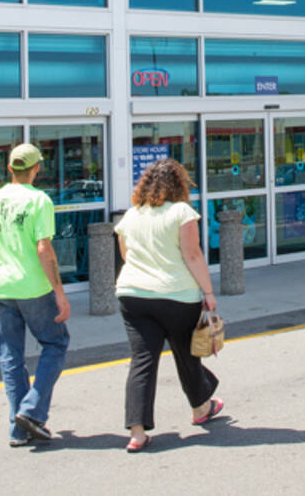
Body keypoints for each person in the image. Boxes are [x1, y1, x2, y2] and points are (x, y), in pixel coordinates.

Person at [114, 158, 225, 452]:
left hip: (133, 294)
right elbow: (192, 255)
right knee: (187, 355)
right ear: (179, 183)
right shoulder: (181, 212)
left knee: (142, 361)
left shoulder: (131, 214)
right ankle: (201, 408)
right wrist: (209, 292)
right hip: (177, 295)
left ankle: (137, 433)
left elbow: (127, 254)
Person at [0, 142, 72, 446]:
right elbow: (44, 248)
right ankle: (31, 411)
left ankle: (18, 429)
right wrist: (59, 291)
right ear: (36, 168)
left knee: (10, 357)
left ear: (9, 169)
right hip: (33, 287)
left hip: (1, 287)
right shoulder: (39, 200)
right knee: (56, 343)